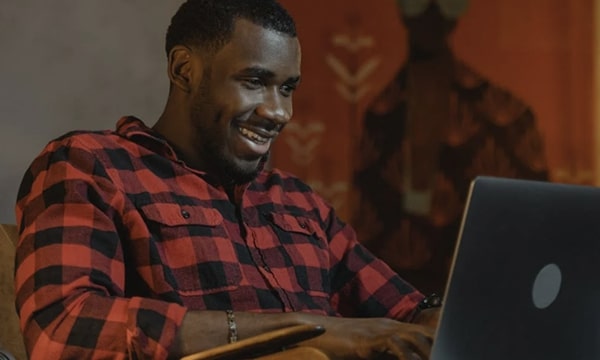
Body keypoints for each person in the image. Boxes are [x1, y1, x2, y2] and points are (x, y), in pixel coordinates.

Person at [14, 1, 440, 359]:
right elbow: (64, 330)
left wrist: (444, 322)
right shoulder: (90, 165)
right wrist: (305, 329)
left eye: (288, 88)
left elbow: (408, 312)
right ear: (184, 70)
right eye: (255, 82)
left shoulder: (298, 202)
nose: (280, 112)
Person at [351, 0, 548, 295]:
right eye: (418, 6)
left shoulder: (506, 118)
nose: (431, 17)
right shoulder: (380, 117)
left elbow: (535, 224)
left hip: (482, 290)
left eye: (442, 7)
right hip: (397, 300)